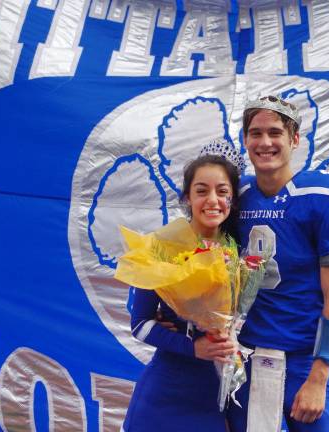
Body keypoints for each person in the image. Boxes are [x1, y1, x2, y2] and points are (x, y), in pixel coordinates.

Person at [227, 95, 329, 431]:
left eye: (275, 132)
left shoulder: (328, 196)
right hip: (246, 358)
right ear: (245, 140)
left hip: (302, 360)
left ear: (295, 139)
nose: (265, 142)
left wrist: (320, 376)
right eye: (255, 133)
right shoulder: (234, 194)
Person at [122, 151, 244, 432]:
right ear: (187, 197)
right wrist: (193, 347)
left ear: (232, 200)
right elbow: (139, 325)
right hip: (165, 397)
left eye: (222, 191)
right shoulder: (160, 247)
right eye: (201, 191)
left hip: (215, 398)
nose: (212, 200)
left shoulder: (237, 249)